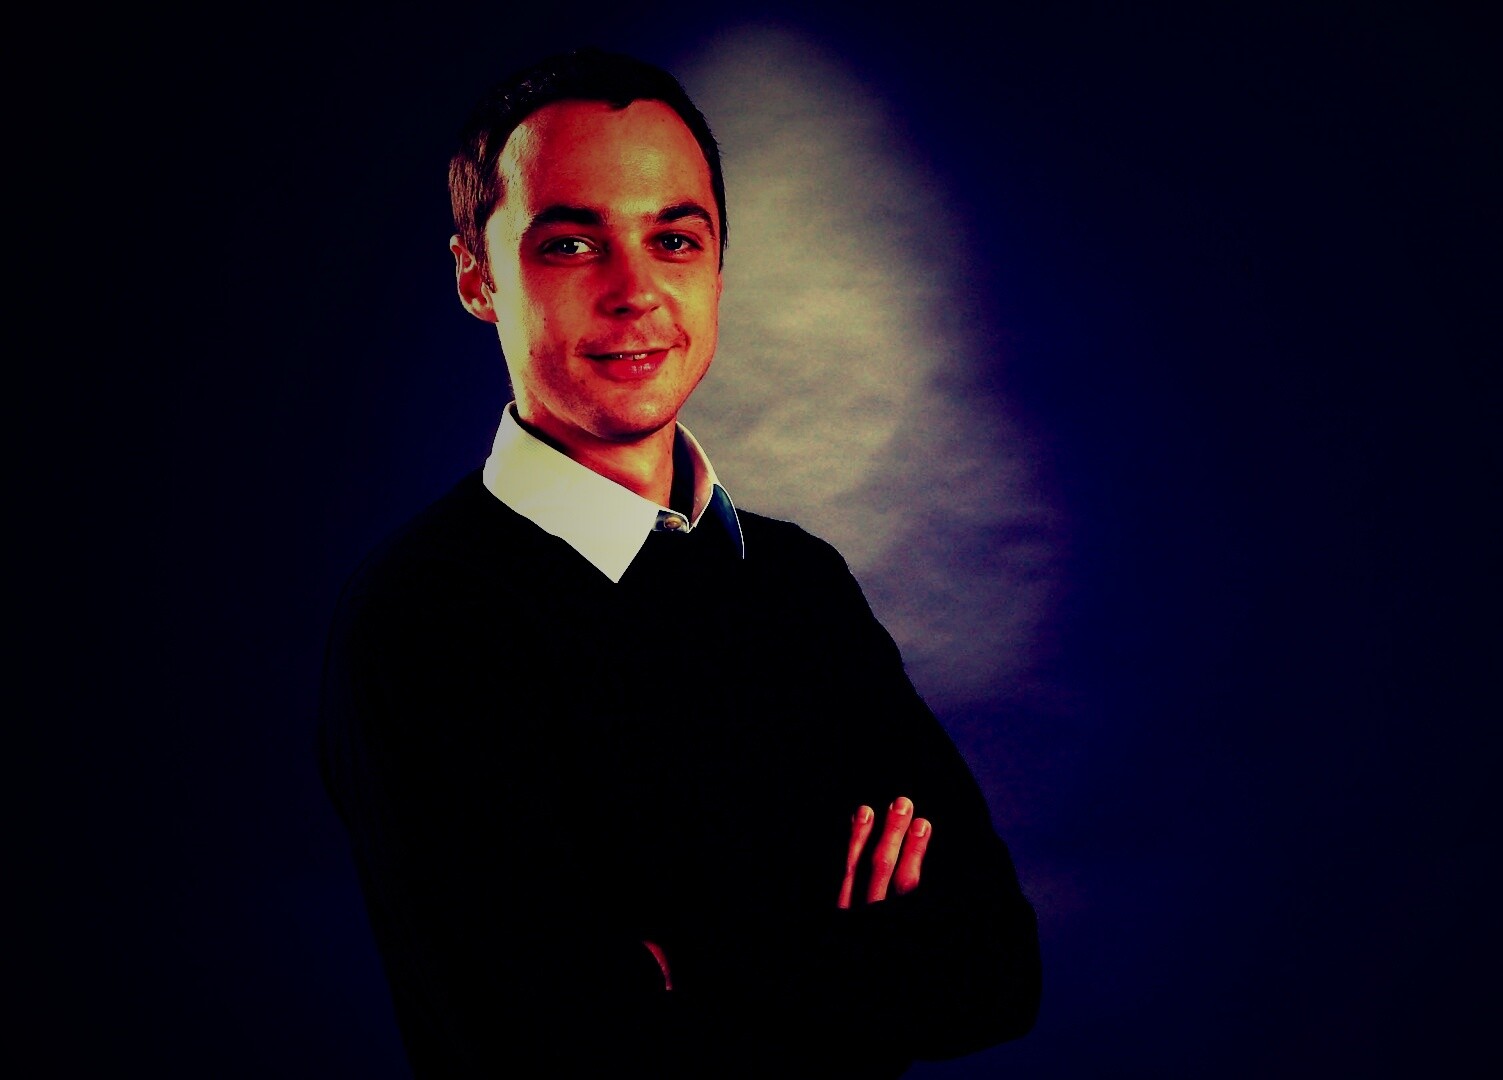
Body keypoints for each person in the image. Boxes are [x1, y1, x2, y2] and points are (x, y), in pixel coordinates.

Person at [317, 46, 1042, 1078]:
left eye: (674, 239)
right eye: (571, 244)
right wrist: (842, 945)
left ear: (717, 267)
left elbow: (996, 968)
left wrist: (685, 964)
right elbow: (549, 1053)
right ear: (477, 276)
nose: (636, 291)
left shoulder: (800, 583)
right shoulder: (422, 622)